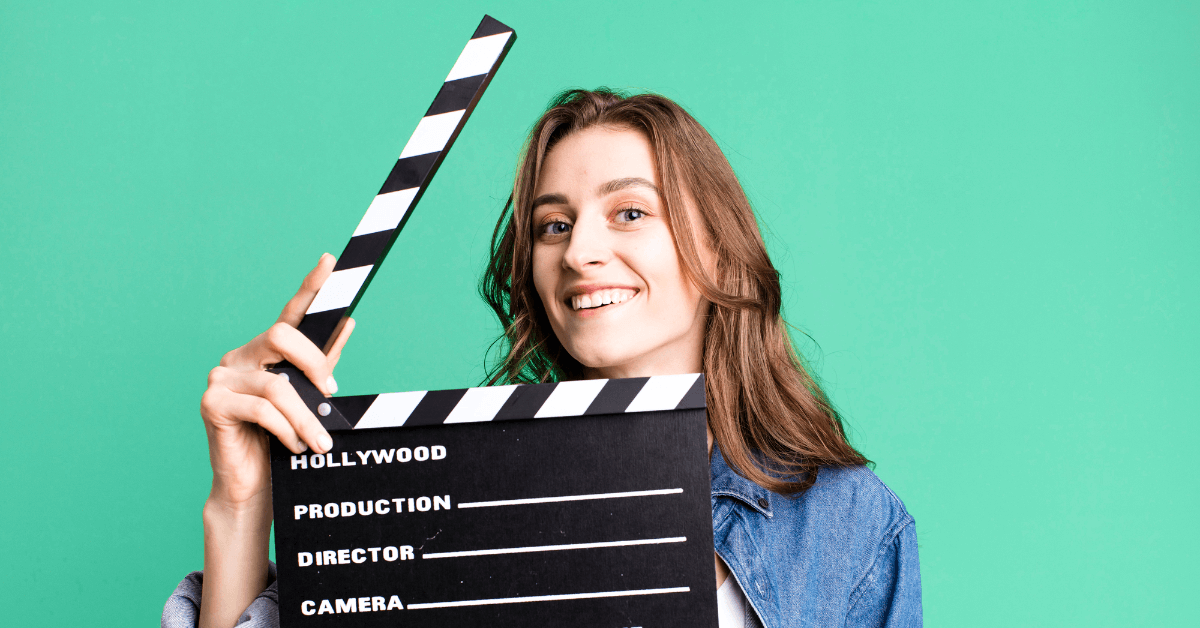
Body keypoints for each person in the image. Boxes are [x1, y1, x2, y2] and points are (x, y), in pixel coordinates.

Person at [165, 89, 921, 628]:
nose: (581, 252)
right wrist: (239, 507)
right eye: (552, 226)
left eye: (630, 212)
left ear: (721, 255)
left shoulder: (845, 523)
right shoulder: (451, 493)